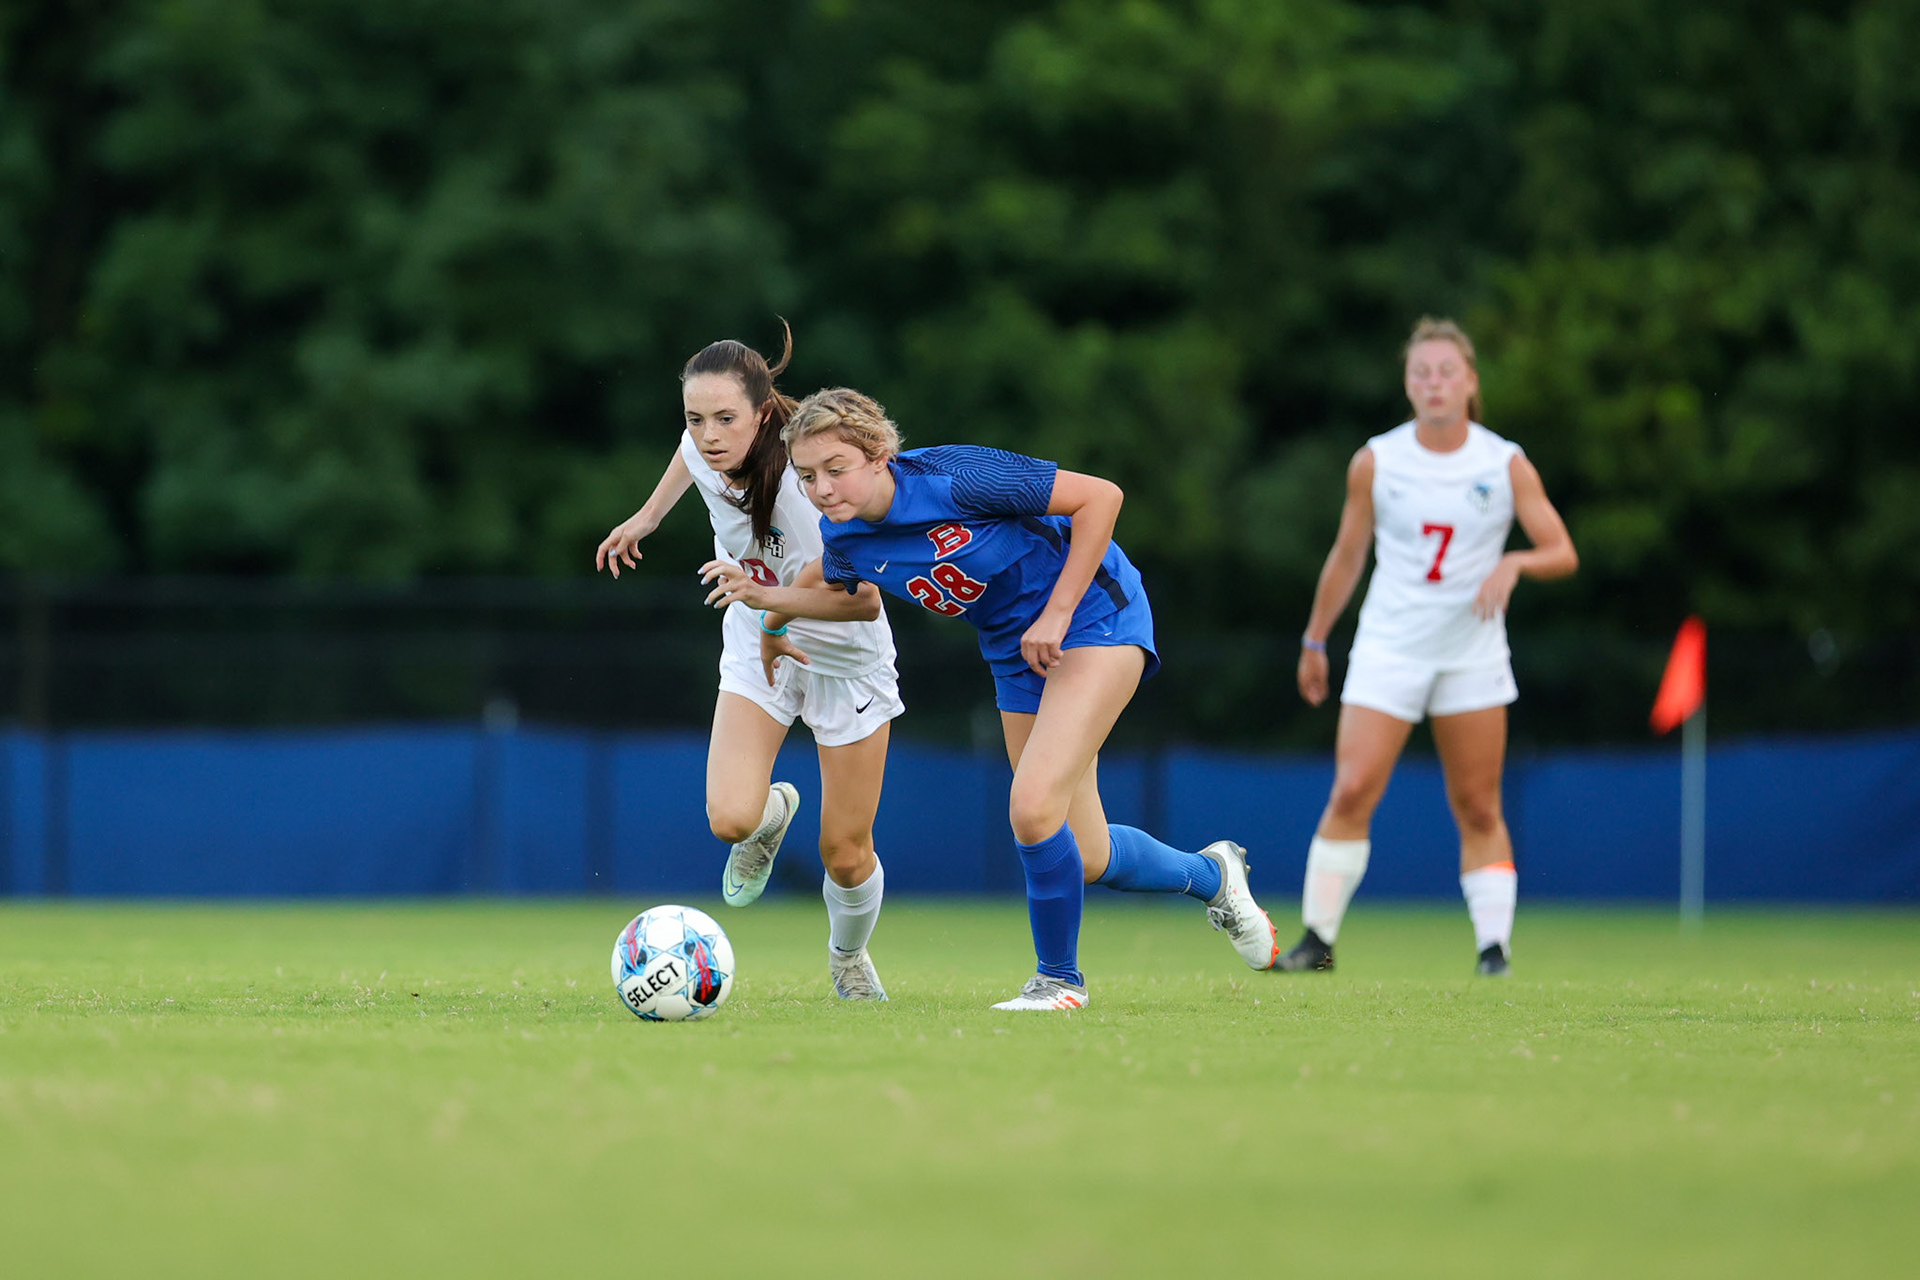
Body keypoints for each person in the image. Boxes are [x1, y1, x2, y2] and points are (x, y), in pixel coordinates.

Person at [704, 388, 1279, 1012]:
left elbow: (1100, 497)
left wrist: (1057, 614)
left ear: (879, 455)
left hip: (1093, 616)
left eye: (836, 468)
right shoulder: (844, 535)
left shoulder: (957, 476)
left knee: (1032, 809)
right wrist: (771, 619)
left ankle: (1059, 982)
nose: (821, 489)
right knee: (1085, 854)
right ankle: (1213, 876)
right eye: (808, 475)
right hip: (1015, 650)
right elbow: (835, 585)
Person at [596, 328, 902, 1001]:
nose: (708, 435)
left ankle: (848, 957)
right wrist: (648, 517)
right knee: (730, 818)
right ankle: (769, 816)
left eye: (725, 419)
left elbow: (861, 601)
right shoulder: (704, 446)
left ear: (763, 413)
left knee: (845, 854)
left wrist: (768, 609)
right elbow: (688, 458)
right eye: (695, 417)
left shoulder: (807, 487)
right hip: (756, 637)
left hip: (842, 658)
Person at [1280, 317, 1578, 976]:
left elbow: (1561, 551)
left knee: (1479, 804)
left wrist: (1515, 563)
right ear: (1408, 385)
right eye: (1421, 373)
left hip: (1472, 652)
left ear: (1470, 382)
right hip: (1390, 647)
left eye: (1446, 372)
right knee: (1352, 789)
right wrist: (1315, 638)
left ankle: (1493, 951)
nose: (1434, 383)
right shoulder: (1377, 460)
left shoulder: (1503, 463)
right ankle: (1317, 941)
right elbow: (1348, 555)